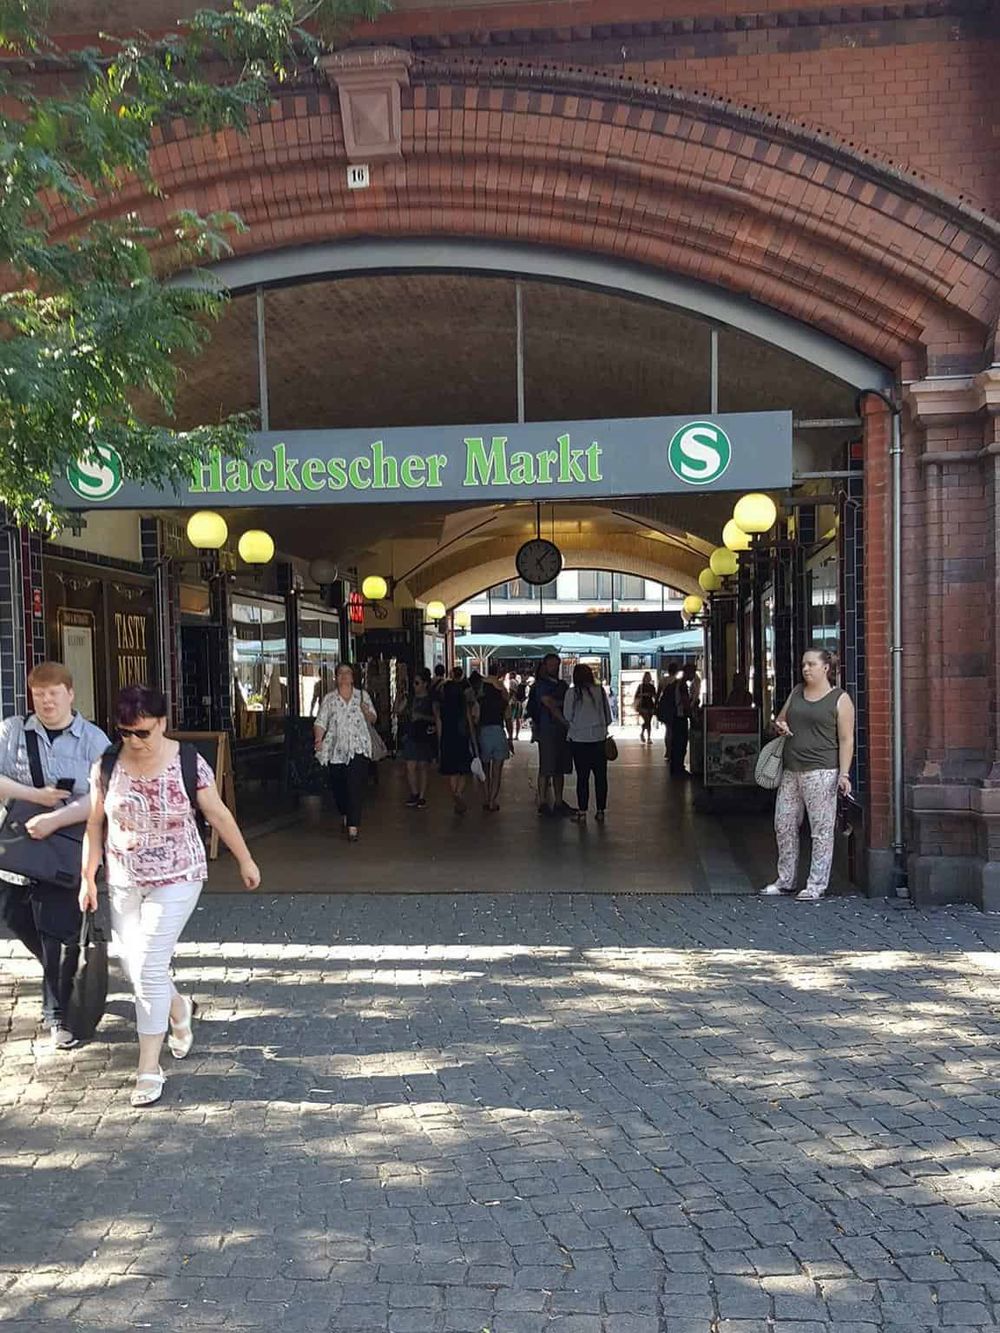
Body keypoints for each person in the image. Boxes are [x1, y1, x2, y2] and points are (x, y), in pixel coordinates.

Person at [80, 685, 260, 1106]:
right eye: (125, 732)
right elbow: (93, 824)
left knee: (148, 966)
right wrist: (88, 877)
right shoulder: (106, 764)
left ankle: (148, 1066)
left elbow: (217, 813)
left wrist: (245, 860)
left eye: (142, 732)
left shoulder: (187, 762)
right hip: (124, 877)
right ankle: (178, 1009)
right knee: (136, 965)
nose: (134, 741)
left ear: (161, 723)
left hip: (179, 875)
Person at [0, 662, 110, 1050]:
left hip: (66, 849)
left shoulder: (94, 741)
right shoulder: (12, 731)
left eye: (53, 693)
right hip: (18, 848)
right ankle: (62, 979)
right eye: (38, 694)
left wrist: (56, 817)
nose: (46, 701)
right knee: (15, 916)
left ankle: (58, 1015)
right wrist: (36, 798)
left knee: (57, 932)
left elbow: (104, 798)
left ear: (70, 694)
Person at [761, 647, 856, 902]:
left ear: (826, 668)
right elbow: (780, 719)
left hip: (822, 771)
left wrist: (844, 774)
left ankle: (816, 884)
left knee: (821, 830)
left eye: (811, 664)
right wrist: (780, 726)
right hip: (792, 770)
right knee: (783, 824)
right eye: (804, 664)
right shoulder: (796, 692)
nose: (805, 668)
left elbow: (847, 739)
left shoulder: (840, 698)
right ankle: (786, 880)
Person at [314, 663, 378, 842]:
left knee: (355, 786)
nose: (344, 676)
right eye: (340, 673)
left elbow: (373, 718)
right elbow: (320, 721)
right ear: (336, 677)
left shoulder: (362, 696)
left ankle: (353, 827)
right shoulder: (330, 699)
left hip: (359, 748)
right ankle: (345, 812)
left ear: (353, 677)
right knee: (339, 786)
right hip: (336, 750)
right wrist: (318, 740)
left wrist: (367, 712)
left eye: (347, 673)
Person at [564, 664, 612, 822]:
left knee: (582, 778)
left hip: (579, 740)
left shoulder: (572, 693)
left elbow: (567, 715)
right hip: (599, 739)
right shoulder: (600, 691)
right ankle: (600, 811)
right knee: (600, 777)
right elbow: (608, 716)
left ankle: (582, 812)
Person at [532, 653, 572, 816]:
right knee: (546, 766)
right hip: (547, 729)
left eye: (556, 664)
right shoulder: (541, 685)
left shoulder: (562, 685)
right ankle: (542, 801)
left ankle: (558, 801)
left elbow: (556, 703)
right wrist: (564, 719)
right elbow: (548, 703)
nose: (554, 668)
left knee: (559, 767)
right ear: (545, 666)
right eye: (551, 665)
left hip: (560, 731)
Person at [435, 668, 476, 813]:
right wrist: (473, 740)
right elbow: (470, 723)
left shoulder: (442, 708)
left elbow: (439, 725)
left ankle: (456, 794)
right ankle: (458, 793)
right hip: (462, 738)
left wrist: (440, 744)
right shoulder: (463, 706)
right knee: (463, 770)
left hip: (447, 739)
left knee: (452, 771)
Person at [399, 669, 437, 808]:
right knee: (410, 765)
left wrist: (422, 717)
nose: (415, 686)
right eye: (414, 683)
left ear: (425, 684)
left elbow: (436, 717)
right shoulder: (410, 699)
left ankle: (421, 795)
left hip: (424, 735)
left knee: (422, 766)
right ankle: (414, 793)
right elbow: (399, 709)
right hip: (411, 734)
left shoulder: (431, 700)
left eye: (417, 683)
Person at [477, 671, 513, 812]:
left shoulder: (479, 703)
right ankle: (492, 801)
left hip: (484, 734)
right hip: (499, 733)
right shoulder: (503, 703)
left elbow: (475, 720)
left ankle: (486, 798)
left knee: (485, 769)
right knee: (497, 771)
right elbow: (509, 722)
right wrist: (510, 738)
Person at [668, 669, 692, 776]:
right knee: (681, 743)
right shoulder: (682, 685)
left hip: (675, 717)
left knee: (676, 742)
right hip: (680, 717)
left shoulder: (677, 683)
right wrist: (692, 716)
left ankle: (675, 767)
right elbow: (685, 702)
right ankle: (679, 768)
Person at [656, 664, 680, 759]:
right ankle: (673, 751)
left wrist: (656, 706)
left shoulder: (663, 680)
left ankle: (668, 751)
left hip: (665, 706)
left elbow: (658, 694)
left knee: (668, 730)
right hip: (675, 707)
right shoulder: (677, 681)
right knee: (674, 730)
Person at [634, 671, 656, 743]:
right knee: (647, 721)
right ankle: (648, 737)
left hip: (650, 705)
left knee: (648, 721)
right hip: (643, 706)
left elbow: (654, 696)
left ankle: (642, 733)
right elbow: (636, 696)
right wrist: (644, 695)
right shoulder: (641, 686)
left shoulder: (651, 686)